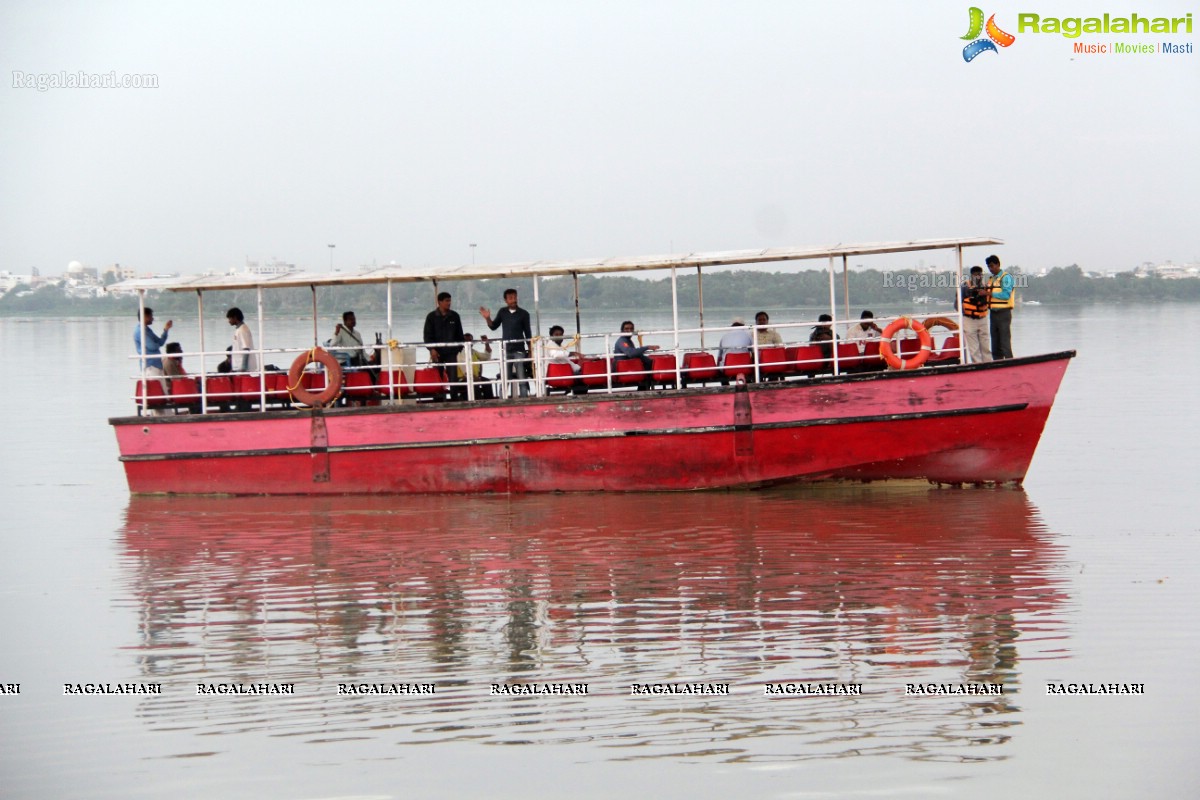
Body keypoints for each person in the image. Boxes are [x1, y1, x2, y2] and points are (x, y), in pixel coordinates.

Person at [479, 288, 532, 398]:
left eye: (515, 297)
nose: (513, 300)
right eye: (510, 298)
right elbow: (493, 326)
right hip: (506, 350)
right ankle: (502, 400)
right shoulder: (502, 312)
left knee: (521, 377)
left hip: (519, 350)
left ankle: (524, 400)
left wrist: (530, 350)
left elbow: (528, 333)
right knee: (505, 378)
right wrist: (487, 318)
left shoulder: (524, 314)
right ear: (505, 300)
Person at [424, 292, 465, 380]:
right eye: (446, 301)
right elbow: (427, 335)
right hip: (437, 353)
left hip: (452, 352)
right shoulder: (431, 317)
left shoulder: (455, 316)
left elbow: (460, 334)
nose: (449, 303)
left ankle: (454, 394)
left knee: (453, 377)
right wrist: (432, 349)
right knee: (438, 377)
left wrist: (458, 348)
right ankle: (440, 394)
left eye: (450, 300)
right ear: (440, 302)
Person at [959, 266, 992, 363]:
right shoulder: (965, 287)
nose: (978, 277)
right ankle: (977, 366)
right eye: (976, 275)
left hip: (982, 318)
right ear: (971, 275)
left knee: (985, 345)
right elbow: (958, 303)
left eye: (980, 275)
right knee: (974, 348)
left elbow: (989, 300)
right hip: (969, 319)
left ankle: (988, 364)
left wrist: (984, 295)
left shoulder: (985, 287)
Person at [986, 255, 1015, 359]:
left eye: (992, 266)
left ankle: (1009, 362)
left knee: (1004, 341)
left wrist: (989, 294)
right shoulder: (992, 279)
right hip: (993, 313)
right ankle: (997, 363)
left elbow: (1006, 295)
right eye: (989, 267)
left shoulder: (1006, 278)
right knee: (995, 342)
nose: (990, 269)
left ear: (998, 264)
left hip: (1004, 313)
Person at [133, 307, 172, 376]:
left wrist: (166, 330)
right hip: (149, 367)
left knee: (162, 386)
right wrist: (157, 344)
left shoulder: (147, 330)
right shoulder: (140, 331)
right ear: (145, 317)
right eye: (151, 316)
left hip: (157, 365)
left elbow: (160, 342)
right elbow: (152, 346)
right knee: (154, 386)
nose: (153, 319)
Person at [456, 333, 494, 399]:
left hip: (475, 377)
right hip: (462, 379)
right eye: (466, 340)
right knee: (474, 384)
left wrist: (486, 343)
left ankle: (490, 402)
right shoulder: (458, 353)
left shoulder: (473, 352)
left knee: (487, 382)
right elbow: (463, 368)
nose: (468, 342)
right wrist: (473, 377)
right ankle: (478, 403)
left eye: (470, 340)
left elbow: (486, 357)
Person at [226, 307, 257, 373]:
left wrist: (244, 367)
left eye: (229, 318)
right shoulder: (238, 329)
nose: (228, 321)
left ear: (235, 317)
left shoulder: (243, 330)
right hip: (238, 366)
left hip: (244, 368)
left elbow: (246, 348)